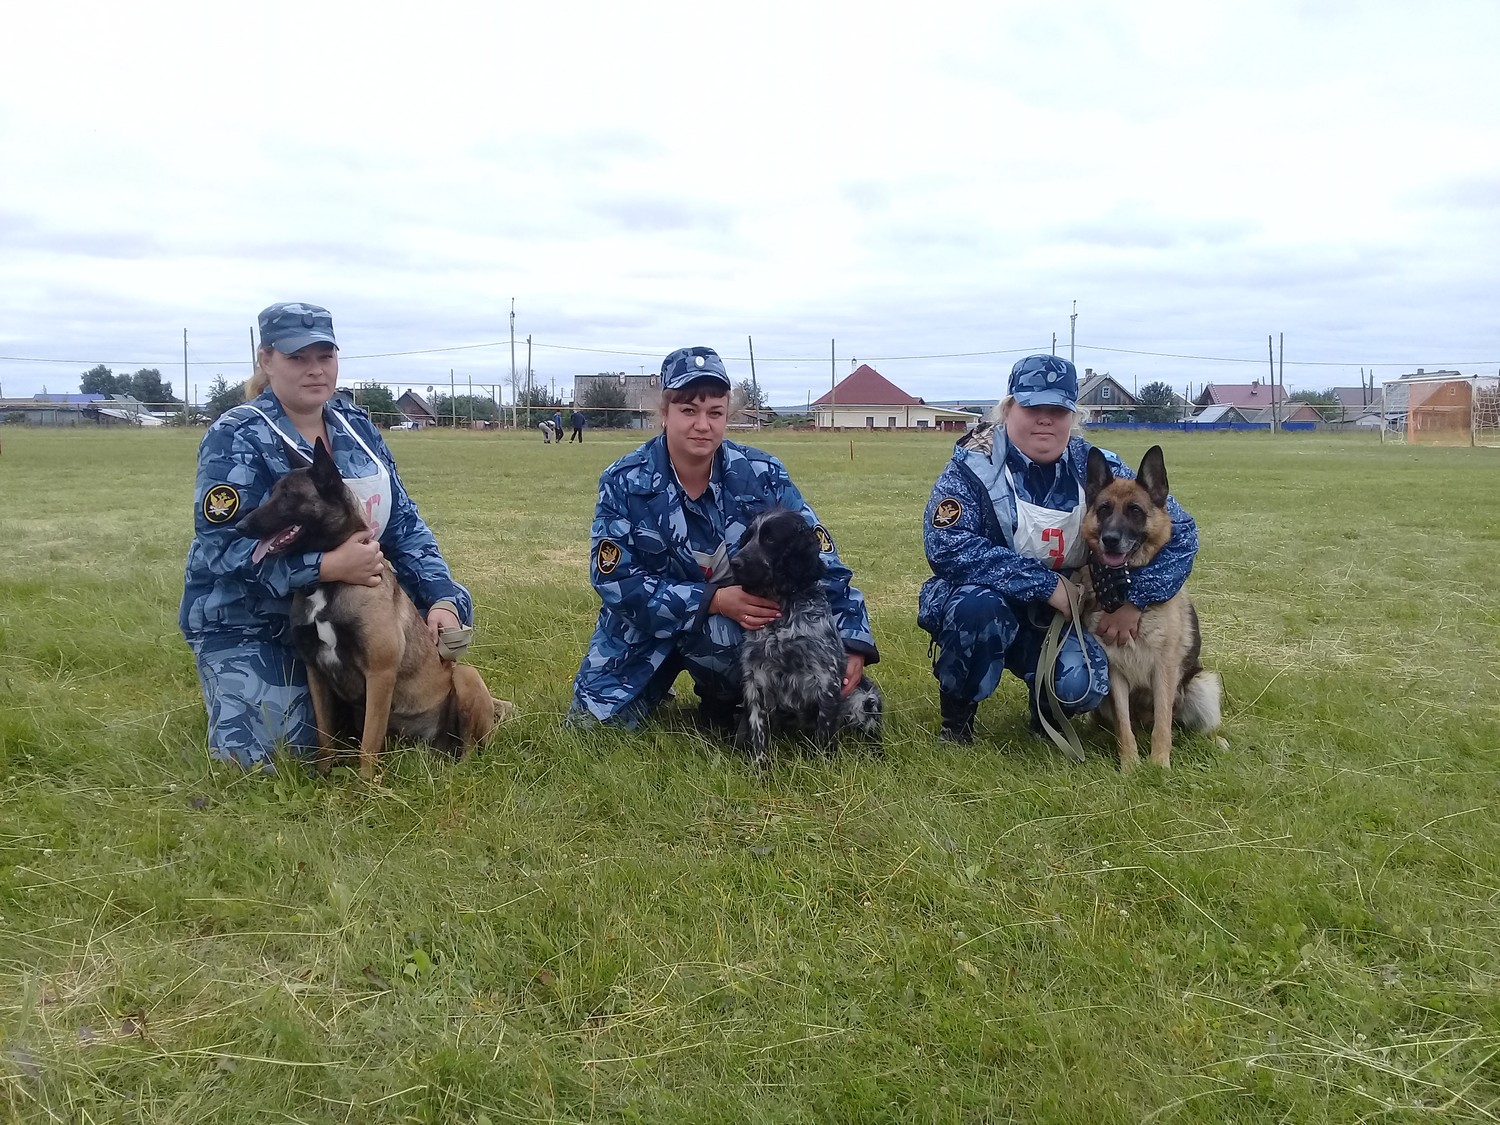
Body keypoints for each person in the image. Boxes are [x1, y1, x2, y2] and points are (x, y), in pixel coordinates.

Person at [180, 302, 476, 771]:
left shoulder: (356, 429)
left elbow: (404, 525)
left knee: (407, 678)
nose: (315, 370)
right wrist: (323, 567)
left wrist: (441, 598)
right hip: (257, 620)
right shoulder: (236, 436)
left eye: (326, 356)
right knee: (271, 757)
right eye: (298, 358)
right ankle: (239, 687)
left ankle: (474, 706)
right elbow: (221, 549)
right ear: (267, 360)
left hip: (351, 610)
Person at [569, 346, 879, 730]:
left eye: (715, 412)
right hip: (645, 628)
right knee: (590, 727)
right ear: (663, 414)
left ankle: (729, 702)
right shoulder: (623, 481)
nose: (703, 424)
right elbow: (614, 579)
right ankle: (651, 686)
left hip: (739, 628)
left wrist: (851, 640)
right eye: (688, 411)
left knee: (767, 659)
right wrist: (710, 600)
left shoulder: (763, 474)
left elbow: (819, 561)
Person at [917, 354, 1198, 744]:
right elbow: (946, 546)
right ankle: (957, 720)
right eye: (1033, 407)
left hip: (1067, 616)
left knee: (1083, 683)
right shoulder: (973, 467)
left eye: (1058, 409)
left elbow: (1182, 532)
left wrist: (1135, 600)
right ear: (1009, 407)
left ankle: (1046, 715)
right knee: (976, 610)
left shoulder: (1097, 467)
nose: (1045, 419)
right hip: (990, 605)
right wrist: (1046, 585)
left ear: (1072, 417)